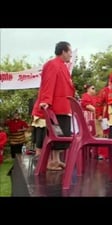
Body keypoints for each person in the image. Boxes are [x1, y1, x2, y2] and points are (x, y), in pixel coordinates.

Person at [33, 41, 75, 171]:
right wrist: (46, 101)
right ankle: (49, 162)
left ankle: (56, 160)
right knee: (52, 134)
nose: (71, 55)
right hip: (55, 106)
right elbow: (48, 84)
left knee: (61, 135)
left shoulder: (63, 66)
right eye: (70, 52)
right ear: (63, 51)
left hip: (63, 106)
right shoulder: (52, 64)